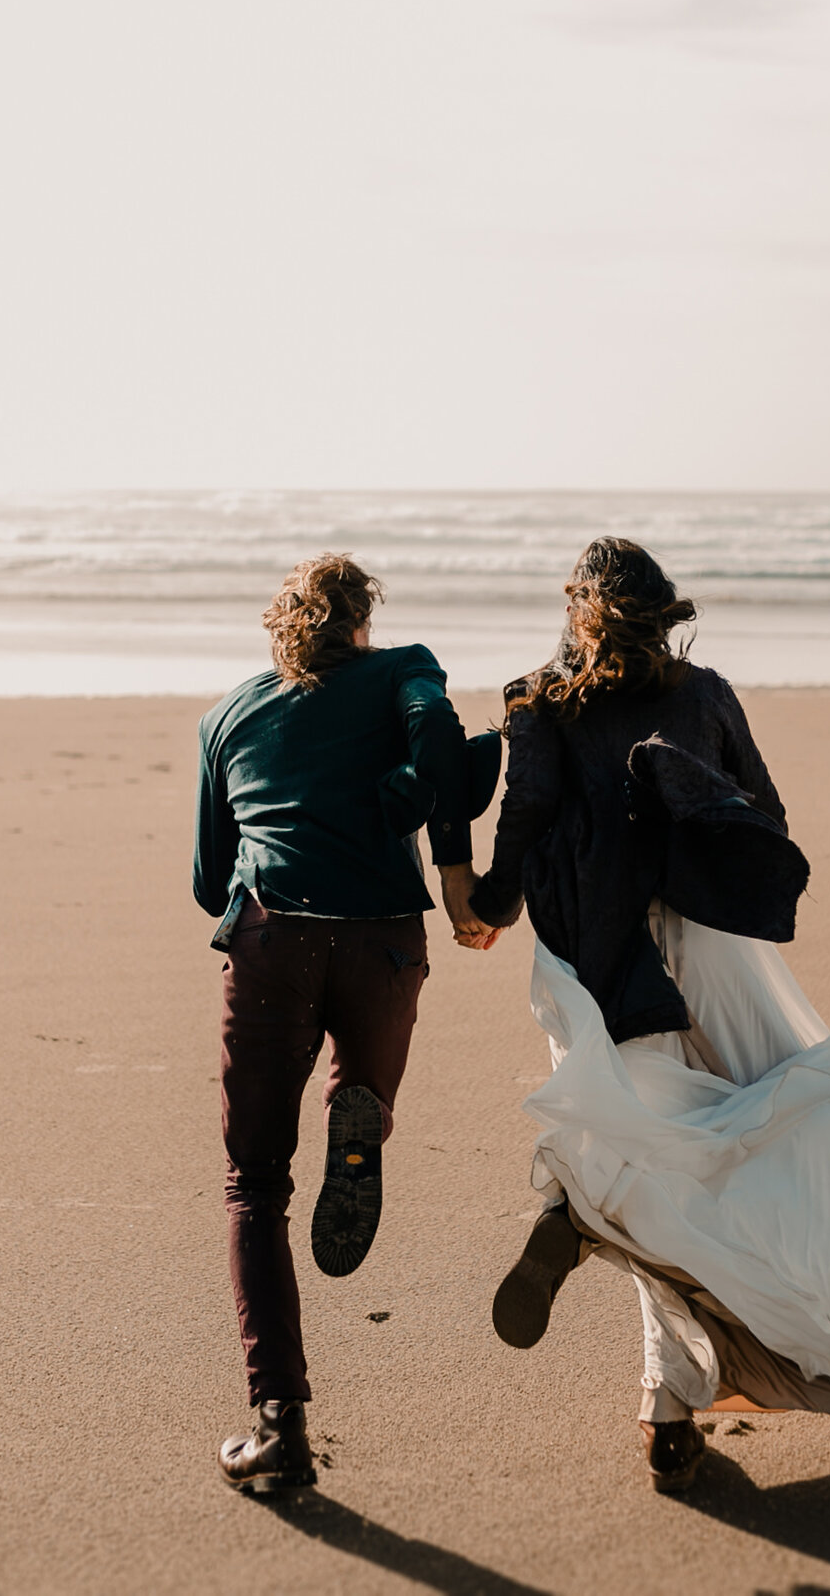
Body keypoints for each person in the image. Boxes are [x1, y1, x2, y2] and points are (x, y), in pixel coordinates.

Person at [467, 537, 830, 1493]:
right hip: (714, 947)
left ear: (578, 613)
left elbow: (522, 822)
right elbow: (764, 816)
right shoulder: (705, 694)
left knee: (650, 1154)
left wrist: (485, 910)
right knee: (744, 1141)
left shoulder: (535, 698)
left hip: (598, 957)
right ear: (666, 614)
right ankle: (667, 1409)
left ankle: (582, 1229)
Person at [194, 553, 497, 1495]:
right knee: (361, 1088)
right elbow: (443, 745)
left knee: (254, 1186)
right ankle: (358, 1107)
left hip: (273, 933)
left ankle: (279, 1425)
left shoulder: (226, 718)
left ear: (278, 631)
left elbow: (209, 880)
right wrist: (438, 830)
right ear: (361, 621)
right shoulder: (405, 667)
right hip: (382, 938)